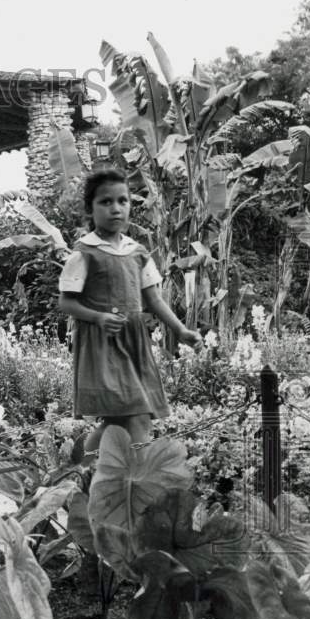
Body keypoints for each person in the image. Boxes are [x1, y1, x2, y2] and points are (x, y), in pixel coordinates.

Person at [57, 168, 203, 459]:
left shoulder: (138, 252)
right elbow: (66, 302)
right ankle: (138, 476)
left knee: (119, 419)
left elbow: (154, 299)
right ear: (90, 208)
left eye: (123, 201)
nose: (116, 208)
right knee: (137, 414)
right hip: (103, 346)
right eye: (106, 202)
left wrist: (180, 330)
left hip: (134, 343)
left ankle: (78, 472)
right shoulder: (84, 252)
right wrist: (98, 317)